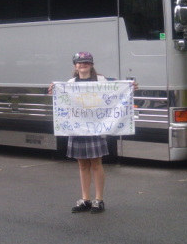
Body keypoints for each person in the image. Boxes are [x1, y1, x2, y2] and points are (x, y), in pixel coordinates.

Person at [50, 52, 134, 214]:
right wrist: (53, 90)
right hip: (77, 128)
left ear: (91, 64)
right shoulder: (70, 83)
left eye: (86, 62)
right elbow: (63, 101)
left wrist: (132, 87)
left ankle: (99, 200)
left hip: (96, 129)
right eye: (80, 62)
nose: (83, 65)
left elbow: (121, 88)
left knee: (96, 164)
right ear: (75, 65)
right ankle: (85, 199)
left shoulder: (102, 81)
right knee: (82, 165)